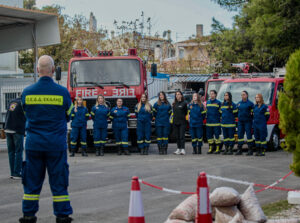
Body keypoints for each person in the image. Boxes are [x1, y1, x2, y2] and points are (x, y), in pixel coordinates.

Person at [20, 55, 73, 223]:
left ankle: (28, 215)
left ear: (37, 70)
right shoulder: (62, 92)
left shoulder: (27, 93)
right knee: (58, 180)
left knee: (31, 182)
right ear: (52, 70)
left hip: (34, 144)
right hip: (55, 145)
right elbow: (69, 114)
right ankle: (62, 215)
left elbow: (25, 114)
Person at [4, 95, 26, 179]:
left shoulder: (12, 101)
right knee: (18, 151)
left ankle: (12, 172)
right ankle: (17, 173)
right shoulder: (23, 103)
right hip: (17, 129)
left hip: (7, 128)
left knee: (11, 152)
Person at [236, 91, 255, 155]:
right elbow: (236, 112)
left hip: (248, 122)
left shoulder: (250, 104)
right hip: (240, 122)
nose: (242, 96)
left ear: (247, 95)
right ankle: (239, 149)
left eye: (244, 94)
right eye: (241, 95)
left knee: (249, 136)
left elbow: (253, 113)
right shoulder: (238, 103)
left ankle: (250, 150)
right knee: (240, 136)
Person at [206, 90, 222, 154]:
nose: (211, 95)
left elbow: (221, 113)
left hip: (216, 123)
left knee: (217, 136)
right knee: (209, 137)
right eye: (210, 94)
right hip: (209, 123)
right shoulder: (207, 102)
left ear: (215, 95)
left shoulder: (218, 102)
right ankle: (211, 148)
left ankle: (217, 149)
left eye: (212, 94)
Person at [172, 91, 188, 155]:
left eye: (178, 94)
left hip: (182, 122)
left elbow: (186, 112)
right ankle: (178, 149)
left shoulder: (184, 103)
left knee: (182, 136)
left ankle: (183, 149)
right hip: (175, 122)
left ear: (181, 95)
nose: (177, 95)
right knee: (177, 136)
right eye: (176, 94)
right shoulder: (174, 103)